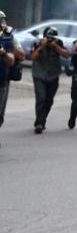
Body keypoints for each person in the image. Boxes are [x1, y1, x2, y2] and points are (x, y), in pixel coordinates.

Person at [31, 26, 70, 133]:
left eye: (52, 37)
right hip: (39, 75)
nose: (50, 39)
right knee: (41, 98)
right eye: (48, 37)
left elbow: (66, 55)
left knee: (49, 100)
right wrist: (41, 47)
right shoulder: (38, 43)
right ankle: (39, 123)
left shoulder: (58, 43)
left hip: (53, 75)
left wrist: (55, 46)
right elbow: (33, 57)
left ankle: (41, 120)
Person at [0, 10, 25, 147]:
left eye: (2, 20)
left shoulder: (8, 37)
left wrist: (3, 52)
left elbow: (19, 57)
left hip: (2, 79)